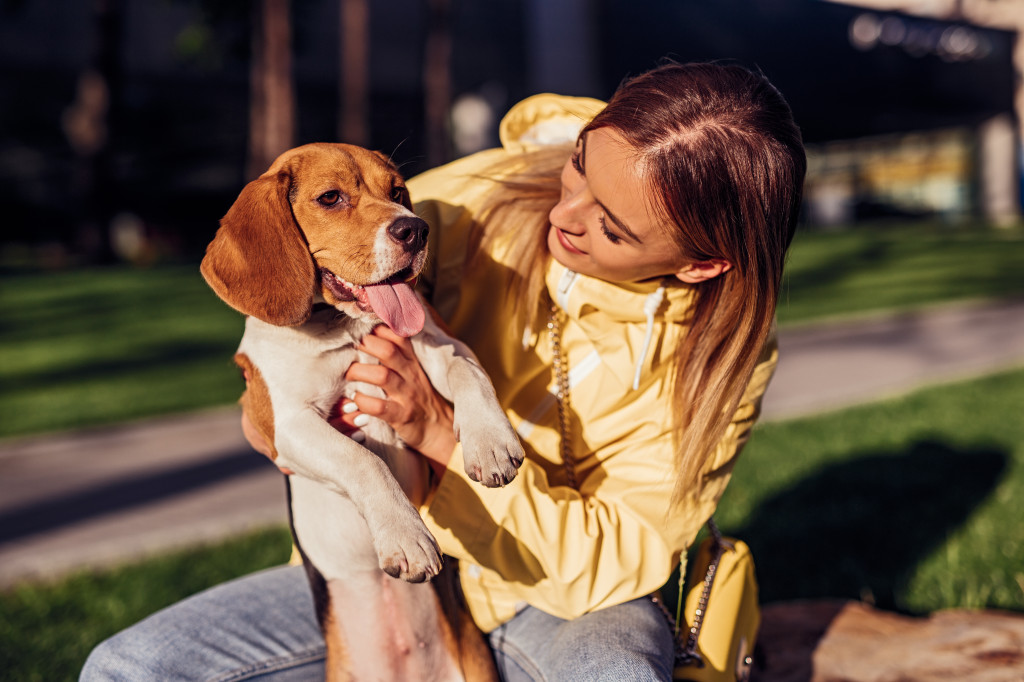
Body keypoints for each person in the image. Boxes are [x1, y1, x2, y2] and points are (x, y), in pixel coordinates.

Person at [81, 61, 805, 681]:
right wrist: (269, 407)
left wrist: (440, 432)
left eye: (611, 227)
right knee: (128, 668)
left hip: (554, 598)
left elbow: (618, 562)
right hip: (373, 568)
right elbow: (303, 281)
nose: (567, 212)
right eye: (578, 166)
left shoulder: (723, 361)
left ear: (700, 262)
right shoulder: (456, 202)